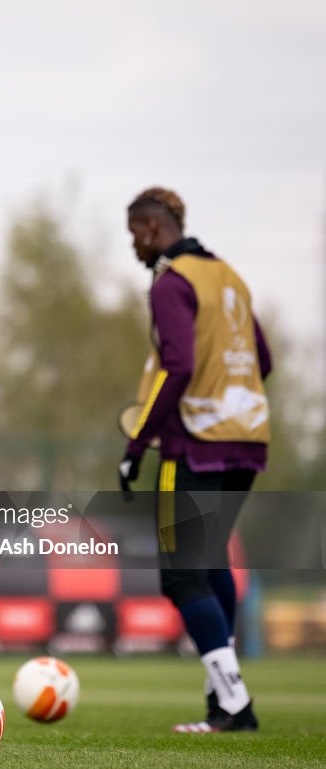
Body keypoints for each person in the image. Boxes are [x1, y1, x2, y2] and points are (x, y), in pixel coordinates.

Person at [120, 187, 270, 732]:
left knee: (182, 577)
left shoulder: (170, 282)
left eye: (134, 233)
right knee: (209, 566)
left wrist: (137, 445)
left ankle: (234, 703)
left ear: (154, 229)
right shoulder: (228, 276)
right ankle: (221, 699)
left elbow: (177, 367)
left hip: (194, 447)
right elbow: (265, 358)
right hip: (248, 441)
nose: (133, 244)